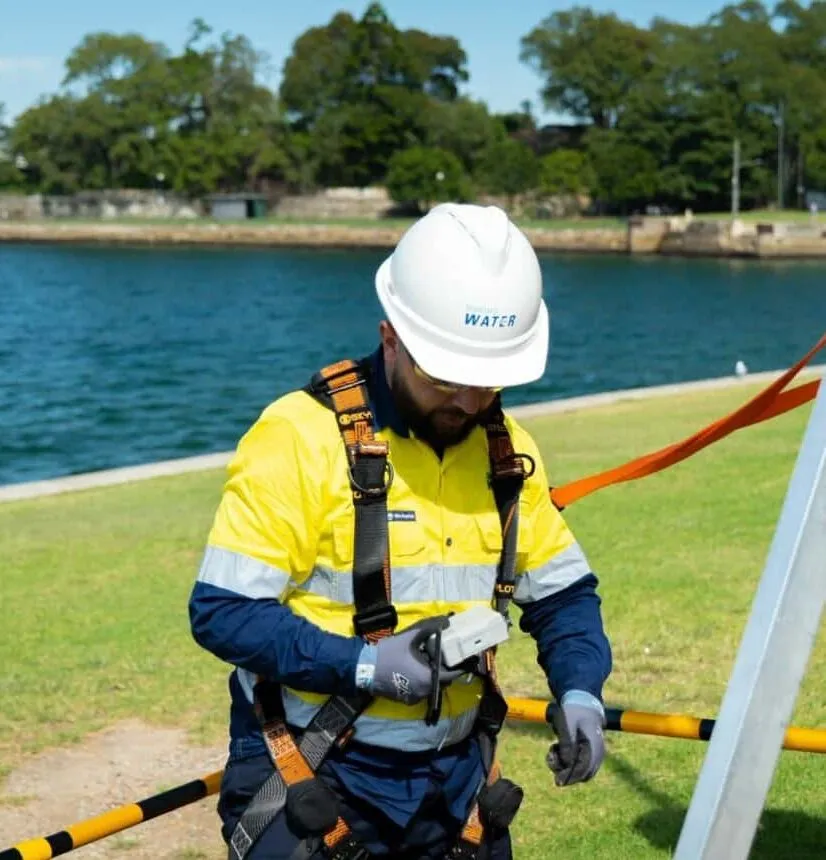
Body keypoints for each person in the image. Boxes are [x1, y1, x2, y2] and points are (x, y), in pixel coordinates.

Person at [188, 202, 612, 860]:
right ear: (391, 339)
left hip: (456, 779)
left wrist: (581, 687)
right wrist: (363, 666)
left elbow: (563, 596)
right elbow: (223, 612)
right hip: (317, 764)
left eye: (488, 381)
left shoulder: (507, 451)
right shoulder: (298, 438)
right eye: (445, 377)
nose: (469, 401)